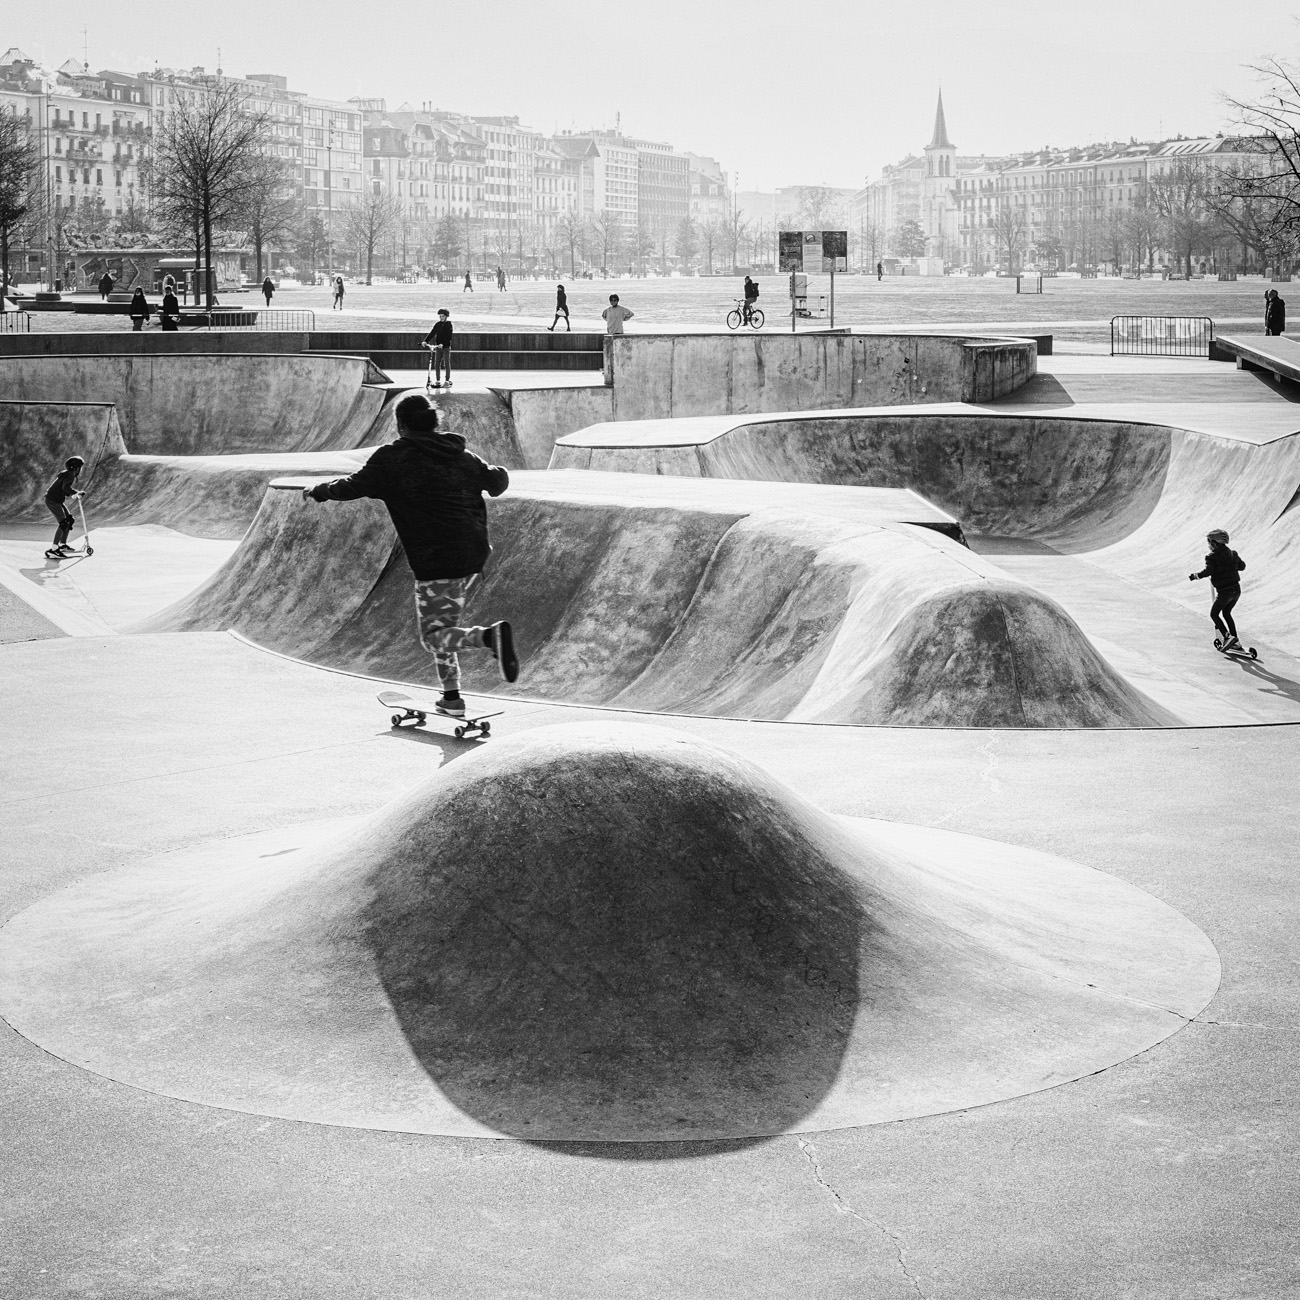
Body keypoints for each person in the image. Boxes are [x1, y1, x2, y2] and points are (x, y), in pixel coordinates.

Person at [302, 392, 517, 715]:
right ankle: (451, 698)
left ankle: (488, 637)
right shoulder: (463, 455)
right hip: (473, 554)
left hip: (437, 559)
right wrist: (492, 471)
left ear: (400, 425)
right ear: (435, 423)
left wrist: (320, 490)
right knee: (444, 627)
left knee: (434, 637)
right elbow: (498, 482)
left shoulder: (393, 457)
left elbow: (351, 486)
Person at [1189, 528, 1247, 650]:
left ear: (1215, 543)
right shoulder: (1233, 553)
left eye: (1209, 542)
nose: (1208, 545)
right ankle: (1235, 641)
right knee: (1226, 613)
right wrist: (1231, 566)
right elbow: (1242, 566)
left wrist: (1196, 576)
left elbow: (1208, 571)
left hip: (1224, 592)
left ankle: (1227, 636)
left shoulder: (1211, 557)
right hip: (1236, 591)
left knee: (1214, 614)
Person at [44, 455, 85, 559]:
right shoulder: (70, 475)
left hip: (57, 500)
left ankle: (62, 545)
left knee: (69, 520)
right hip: (52, 500)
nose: (80, 470)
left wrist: (75, 493)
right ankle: (53, 550)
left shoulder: (68, 474)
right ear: (75, 468)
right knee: (63, 523)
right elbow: (66, 488)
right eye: (79, 467)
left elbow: (65, 489)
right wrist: (75, 493)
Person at [423, 308, 454, 388]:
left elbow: (449, 336)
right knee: (437, 363)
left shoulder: (449, 325)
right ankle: (438, 381)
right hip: (438, 347)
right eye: (440, 316)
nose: (441, 318)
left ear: (446, 317)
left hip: (446, 347)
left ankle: (447, 381)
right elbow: (432, 333)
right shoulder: (438, 324)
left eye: (442, 316)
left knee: (446, 363)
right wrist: (425, 341)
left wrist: (443, 344)